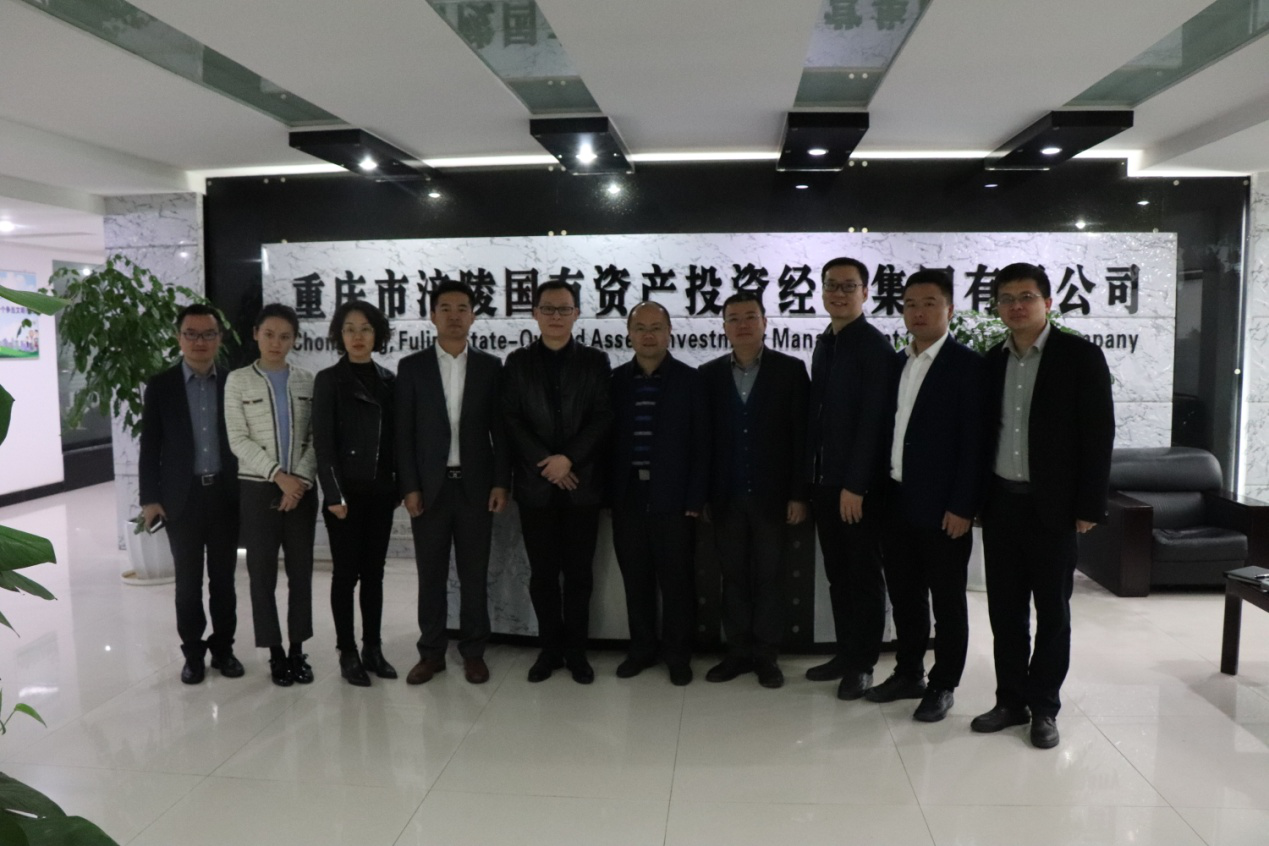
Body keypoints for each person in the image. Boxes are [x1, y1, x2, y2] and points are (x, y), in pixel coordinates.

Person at [972, 262, 1114, 749]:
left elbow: (1098, 434)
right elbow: (981, 436)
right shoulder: (991, 362)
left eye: (1026, 297)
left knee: (1053, 612)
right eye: (1007, 298)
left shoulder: (1080, 357)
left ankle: (1044, 707)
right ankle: (1010, 700)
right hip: (1001, 504)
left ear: (1047, 303)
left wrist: (1089, 505)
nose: (1016, 306)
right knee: (1005, 612)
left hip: (1053, 508)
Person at [867, 269, 985, 722]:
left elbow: (974, 445)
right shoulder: (897, 362)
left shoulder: (967, 365)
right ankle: (908, 673)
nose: (918, 312)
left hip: (944, 509)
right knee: (905, 594)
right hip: (896, 500)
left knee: (948, 601)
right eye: (911, 304)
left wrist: (962, 506)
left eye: (929, 303)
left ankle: (943, 684)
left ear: (949, 309)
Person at [397, 280, 509, 686]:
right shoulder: (412, 367)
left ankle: (474, 652)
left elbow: (501, 431)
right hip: (431, 489)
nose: (454, 316)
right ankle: (431, 653)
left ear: (473, 316)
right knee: (431, 576)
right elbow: (403, 434)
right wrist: (410, 486)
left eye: (463, 308)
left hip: (476, 488)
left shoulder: (490, 367)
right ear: (432, 316)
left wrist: (501, 482)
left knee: (474, 575)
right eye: (445, 308)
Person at [502, 280, 613, 684]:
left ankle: (577, 652)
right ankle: (549, 650)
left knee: (580, 575)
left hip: (582, 485)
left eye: (564, 309)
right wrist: (546, 464)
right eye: (547, 308)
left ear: (576, 314)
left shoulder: (595, 361)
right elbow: (511, 419)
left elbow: (603, 416)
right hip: (536, 488)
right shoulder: (517, 362)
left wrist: (569, 460)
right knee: (543, 575)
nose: (555, 316)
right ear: (534, 313)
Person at [700, 292, 809, 689]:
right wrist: (703, 495)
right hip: (726, 497)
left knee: (769, 578)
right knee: (733, 578)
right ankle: (737, 651)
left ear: (765, 322)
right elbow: (702, 442)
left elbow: (802, 438)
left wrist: (799, 494)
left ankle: (766, 655)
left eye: (750, 316)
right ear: (724, 327)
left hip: (773, 498)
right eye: (734, 318)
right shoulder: (708, 375)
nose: (742, 324)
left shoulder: (791, 370)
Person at [139, 304, 242, 684]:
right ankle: (193, 654)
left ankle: (224, 650)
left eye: (208, 334)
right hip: (181, 500)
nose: (200, 342)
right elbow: (150, 445)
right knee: (187, 585)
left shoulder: (234, 382)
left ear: (219, 338)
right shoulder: (161, 385)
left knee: (224, 581)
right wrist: (150, 499)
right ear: (179, 338)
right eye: (191, 334)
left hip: (225, 496)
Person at [804, 257, 893, 700]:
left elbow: (874, 423)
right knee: (838, 575)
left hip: (856, 489)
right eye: (831, 285)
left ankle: (863, 664)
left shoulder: (873, 347)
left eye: (848, 286)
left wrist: (855, 485)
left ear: (865, 292)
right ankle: (845, 653)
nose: (838, 293)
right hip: (825, 484)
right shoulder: (827, 342)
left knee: (862, 575)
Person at [608, 301, 708, 686]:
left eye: (656, 328)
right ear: (629, 335)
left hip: (675, 498)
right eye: (640, 328)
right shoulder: (615, 381)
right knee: (636, 580)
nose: (648, 335)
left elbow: (702, 444)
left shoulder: (691, 381)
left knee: (677, 582)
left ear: (669, 333)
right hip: (628, 495)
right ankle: (642, 649)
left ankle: (678, 654)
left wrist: (695, 499)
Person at [224, 303, 319, 687]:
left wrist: (300, 481)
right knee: (261, 574)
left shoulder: (307, 381)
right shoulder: (238, 381)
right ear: (255, 335)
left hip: (302, 490)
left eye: (284, 336)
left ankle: (297, 650)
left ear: (294, 340)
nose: (276, 343)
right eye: (269, 335)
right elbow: (237, 439)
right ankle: (275, 652)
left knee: (301, 573)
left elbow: (316, 438)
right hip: (257, 487)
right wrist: (279, 477)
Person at [312, 301, 398, 687]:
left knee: (374, 574)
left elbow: (396, 440)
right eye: (349, 329)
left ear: (377, 334)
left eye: (365, 329)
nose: (357, 336)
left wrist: (397, 487)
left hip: (380, 493)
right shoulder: (329, 380)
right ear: (339, 335)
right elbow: (324, 443)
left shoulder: (389, 380)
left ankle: (373, 648)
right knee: (345, 575)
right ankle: (347, 651)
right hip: (343, 497)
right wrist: (333, 494)